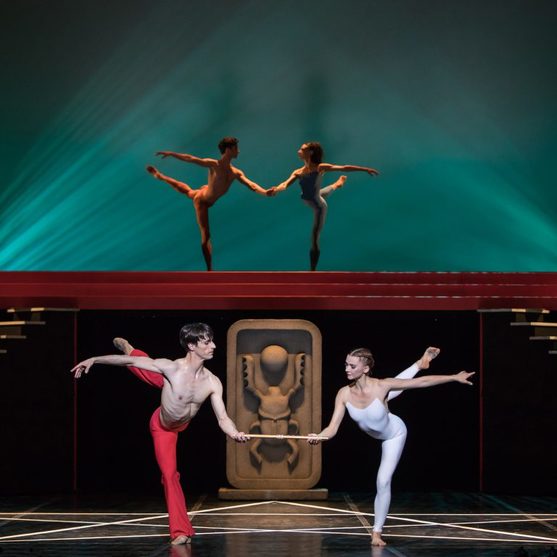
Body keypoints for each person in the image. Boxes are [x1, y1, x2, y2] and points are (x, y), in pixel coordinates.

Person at [71, 323, 248, 545]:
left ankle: (134, 352)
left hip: (179, 420)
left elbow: (222, 417)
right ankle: (180, 532)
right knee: (170, 475)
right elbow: (128, 363)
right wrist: (94, 359)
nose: (213, 345)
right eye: (207, 342)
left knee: (158, 378)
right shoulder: (172, 368)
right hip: (163, 427)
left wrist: (234, 433)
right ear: (192, 345)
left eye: (212, 340)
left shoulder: (212, 382)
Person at [308, 347, 474, 546]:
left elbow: (421, 382)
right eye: (346, 364)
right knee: (393, 388)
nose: (347, 369)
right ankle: (419, 364)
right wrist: (319, 436)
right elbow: (332, 428)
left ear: (366, 368)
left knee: (383, 481)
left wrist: (454, 377)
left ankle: (376, 533)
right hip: (378, 405)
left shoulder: (381, 385)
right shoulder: (344, 394)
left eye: (352, 365)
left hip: (394, 433)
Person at [146, 137, 271, 271]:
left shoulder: (236, 173)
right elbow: (191, 158)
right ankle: (209, 270)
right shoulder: (214, 165)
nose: (239, 151)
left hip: (206, 191)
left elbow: (251, 185)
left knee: (188, 191)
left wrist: (265, 192)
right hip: (203, 201)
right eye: (236, 148)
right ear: (228, 150)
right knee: (206, 235)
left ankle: (161, 177)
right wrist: (172, 154)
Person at [268, 142, 380, 270]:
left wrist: (365, 169)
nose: (299, 150)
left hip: (318, 205)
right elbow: (285, 184)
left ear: (310, 152)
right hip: (309, 198)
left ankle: (313, 270)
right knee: (320, 193)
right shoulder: (298, 172)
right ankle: (337, 184)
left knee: (315, 236)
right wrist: (276, 189)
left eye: (302, 149)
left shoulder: (320, 167)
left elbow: (344, 168)